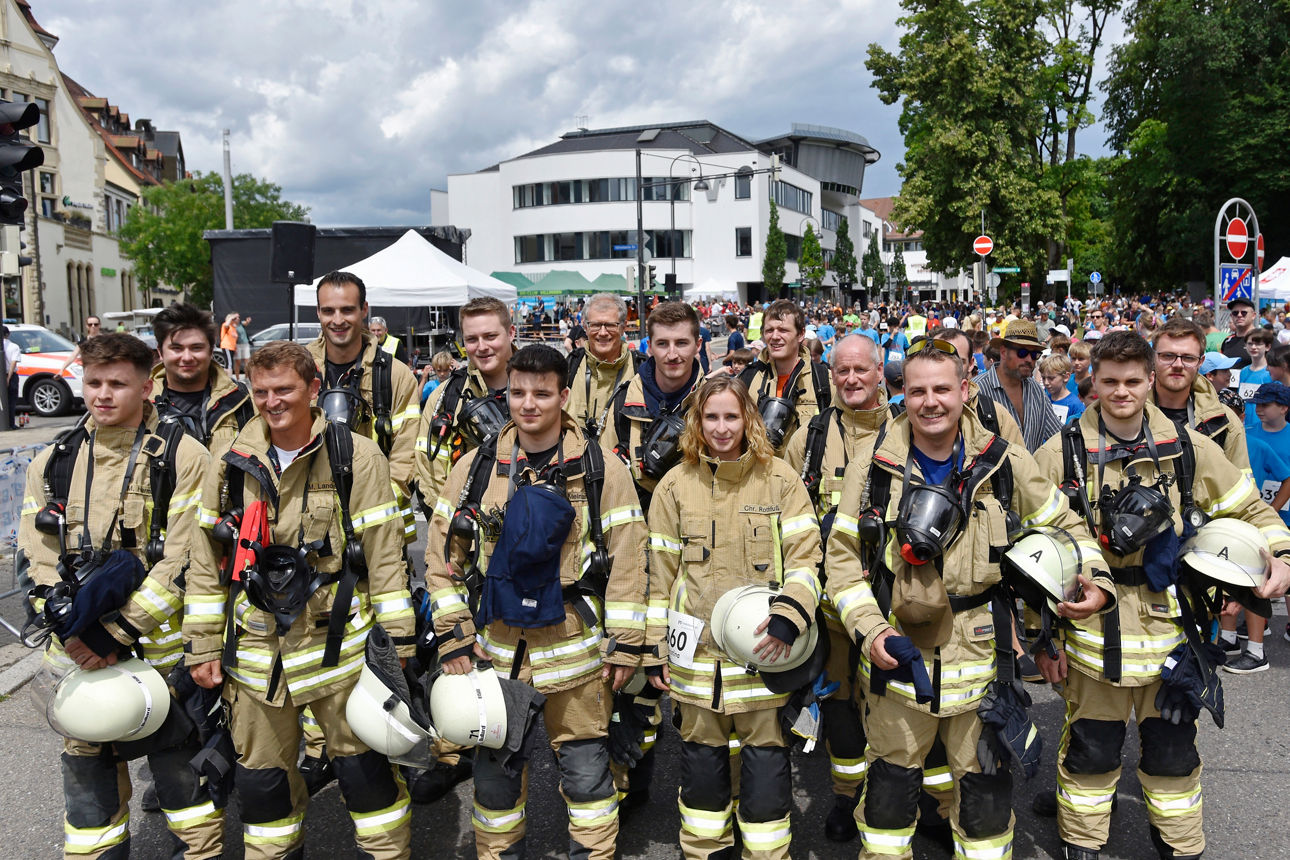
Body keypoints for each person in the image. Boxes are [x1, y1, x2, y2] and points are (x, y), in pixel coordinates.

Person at [827, 336, 1106, 860]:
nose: (930, 402)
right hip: (897, 664)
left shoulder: (1004, 463)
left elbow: (1066, 526)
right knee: (887, 801)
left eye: (941, 389)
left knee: (984, 805)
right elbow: (841, 559)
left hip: (981, 665)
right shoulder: (872, 466)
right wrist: (869, 629)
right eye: (917, 392)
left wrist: (1094, 579)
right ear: (901, 396)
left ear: (965, 390)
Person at [1033, 331, 1290, 860]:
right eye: (1111, 381)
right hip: (1092, 639)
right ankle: (1083, 846)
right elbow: (1022, 537)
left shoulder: (1191, 448)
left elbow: (1251, 510)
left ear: (1151, 380)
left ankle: (1180, 847)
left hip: (1172, 633)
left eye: (1133, 381)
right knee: (1091, 757)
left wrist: (1280, 558)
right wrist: (1037, 633)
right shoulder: (1060, 453)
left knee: (1173, 759)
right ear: (1093, 383)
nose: (1122, 392)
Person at [185, 341, 414, 859]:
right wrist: (201, 647)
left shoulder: (357, 456)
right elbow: (204, 561)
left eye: (284, 389)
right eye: (260, 391)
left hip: (341, 654)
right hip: (258, 656)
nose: (272, 401)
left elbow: (383, 554)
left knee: (368, 782)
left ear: (314, 390)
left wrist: (398, 642)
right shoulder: (230, 463)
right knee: (263, 791)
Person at [429, 344, 647, 860]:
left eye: (542, 393)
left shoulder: (601, 470)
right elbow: (442, 560)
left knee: (588, 780)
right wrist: (454, 637)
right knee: (496, 785)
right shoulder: (475, 469)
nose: (529, 404)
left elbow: (630, 561)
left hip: (577, 654)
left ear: (563, 395)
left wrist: (627, 644)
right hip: (496, 655)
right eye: (519, 393)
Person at [20, 332, 223, 858]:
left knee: (183, 786)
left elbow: (184, 562)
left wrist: (113, 632)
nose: (102, 395)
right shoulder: (54, 462)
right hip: (78, 659)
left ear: (147, 385)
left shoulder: (184, 456)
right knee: (88, 791)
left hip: (158, 656)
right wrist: (70, 630)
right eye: (93, 382)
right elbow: (36, 558)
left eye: (117, 383)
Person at [645, 374, 821, 859]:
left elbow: (807, 559)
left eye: (732, 416)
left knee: (766, 784)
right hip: (697, 671)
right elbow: (658, 574)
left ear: (749, 418)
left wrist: (791, 616)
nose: (722, 428)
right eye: (711, 417)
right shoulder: (674, 485)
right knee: (702, 785)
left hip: (765, 665)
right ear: (696, 422)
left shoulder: (780, 479)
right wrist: (654, 649)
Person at [305, 271, 422, 791]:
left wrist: (368, 517)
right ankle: (318, 746)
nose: (337, 320)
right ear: (318, 313)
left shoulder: (393, 377)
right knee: (306, 639)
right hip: (308, 534)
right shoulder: (300, 366)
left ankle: (386, 737)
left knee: (379, 640)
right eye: (328, 311)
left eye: (347, 310)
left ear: (364, 311)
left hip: (371, 531)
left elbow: (406, 458)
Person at [783, 334, 890, 842]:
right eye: (841, 371)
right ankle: (847, 799)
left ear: (879, 371)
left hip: (893, 600)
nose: (851, 380)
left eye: (860, 371)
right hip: (830, 603)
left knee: (898, 703)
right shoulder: (813, 435)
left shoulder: (904, 430)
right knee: (841, 708)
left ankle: (921, 803)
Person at [151, 302, 254, 453]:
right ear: (160, 352)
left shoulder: (243, 401)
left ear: (211, 350)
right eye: (176, 348)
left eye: (196, 348)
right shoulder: (141, 405)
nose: (187, 357)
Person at [1151, 318, 1251, 470]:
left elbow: (1241, 486)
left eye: (1188, 358)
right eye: (1168, 356)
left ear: (1200, 362)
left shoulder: (1226, 422)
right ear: (1153, 357)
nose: (1178, 365)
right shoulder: (1131, 413)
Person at [738, 299, 830, 453]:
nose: (775, 336)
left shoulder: (823, 380)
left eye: (783, 330)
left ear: (800, 334)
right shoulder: (747, 378)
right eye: (769, 330)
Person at [973, 319, 1063, 452]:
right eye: (1022, 352)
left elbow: (1057, 436)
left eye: (1034, 355)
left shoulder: (1035, 390)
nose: (1028, 359)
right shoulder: (978, 389)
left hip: (1033, 472)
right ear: (1003, 352)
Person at [564, 293, 640, 443]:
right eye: (596, 325)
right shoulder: (569, 367)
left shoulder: (641, 369)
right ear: (585, 327)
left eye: (611, 325)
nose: (603, 332)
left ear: (623, 327)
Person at [1239, 327, 1274, 425]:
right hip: (1245, 425)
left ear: (1267, 347)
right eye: (1250, 344)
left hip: (1264, 425)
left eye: (1258, 344)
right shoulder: (1243, 371)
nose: (1253, 347)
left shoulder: (1271, 372)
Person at [1039, 353, 1086, 424]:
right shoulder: (1044, 400)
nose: (1046, 383)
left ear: (1066, 377)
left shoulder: (1075, 405)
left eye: (1051, 378)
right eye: (1043, 378)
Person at [1220, 296, 1257, 363]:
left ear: (1253, 315)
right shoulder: (1227, 341)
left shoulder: (1264, 338)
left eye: (1244, 313)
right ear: (1231, 316)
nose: (1239, 315)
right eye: (1235, 313)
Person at [3, 325, 19, 428]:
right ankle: (10, 423)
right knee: (11, 401)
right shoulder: (14, 346)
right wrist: (8, 377)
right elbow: (13, 362)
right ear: (8, 334)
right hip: (10, 375)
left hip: (2, 374)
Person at [234, 313, 252, 378]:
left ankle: (246, 377)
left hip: (245, 344)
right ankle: (237, 378)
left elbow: (246, 323)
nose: (238, 318)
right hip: (237, 345)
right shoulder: (232, 326)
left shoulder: (240, 324)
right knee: (238, 362)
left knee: (247, 361)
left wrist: (247, 321)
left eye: (238, 317)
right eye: (236, 318)